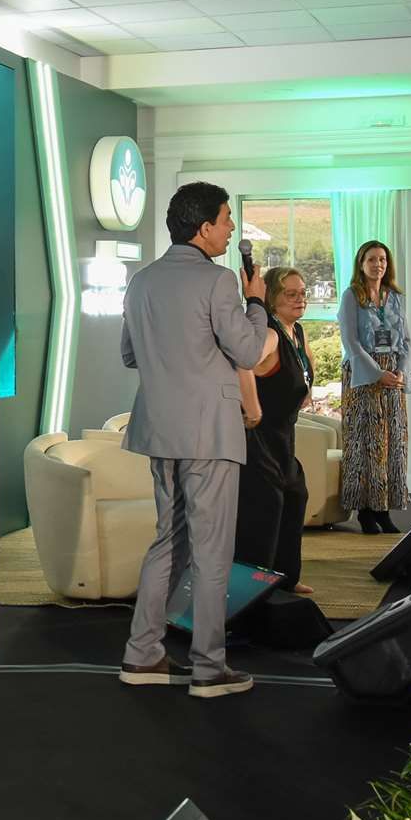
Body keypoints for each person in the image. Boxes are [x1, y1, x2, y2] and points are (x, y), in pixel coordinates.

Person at [117, 182, 270, 700]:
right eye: (226, 219)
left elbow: (130, 355)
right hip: (210, 433)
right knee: (211, 552)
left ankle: (142, 654)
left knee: (169, 539)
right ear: (204, 228)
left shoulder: (140, 281)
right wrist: (256, 303)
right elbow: (248, 352)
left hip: (159, 429)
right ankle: (209, 667)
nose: (231, 228)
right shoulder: (220, 280)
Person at [234, 267, 317, 596]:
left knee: (295, 496)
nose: (300, 299)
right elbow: (242, 362)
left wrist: (306, 389)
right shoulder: (269, 333)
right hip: (258, 437)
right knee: (266, 507)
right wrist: (252, 407)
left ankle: (286, 578)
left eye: (303, 293)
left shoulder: (296, 332)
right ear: (271, 298)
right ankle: (251, 593)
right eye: (290, 294)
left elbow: (304, 367)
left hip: (283, 437)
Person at [338, 240, 411, 534]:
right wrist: (377, 373)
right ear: (361, 263)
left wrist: (400, 371)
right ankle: (365, 511)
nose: (377, 264)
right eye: (371, 259)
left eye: (382, 259)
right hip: (362, 374)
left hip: (392, 376)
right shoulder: (351, 296)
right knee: (365, 443)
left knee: (392, 442)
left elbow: (405, 339)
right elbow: (351, 341)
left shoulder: (395, 297)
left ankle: (383, 509)